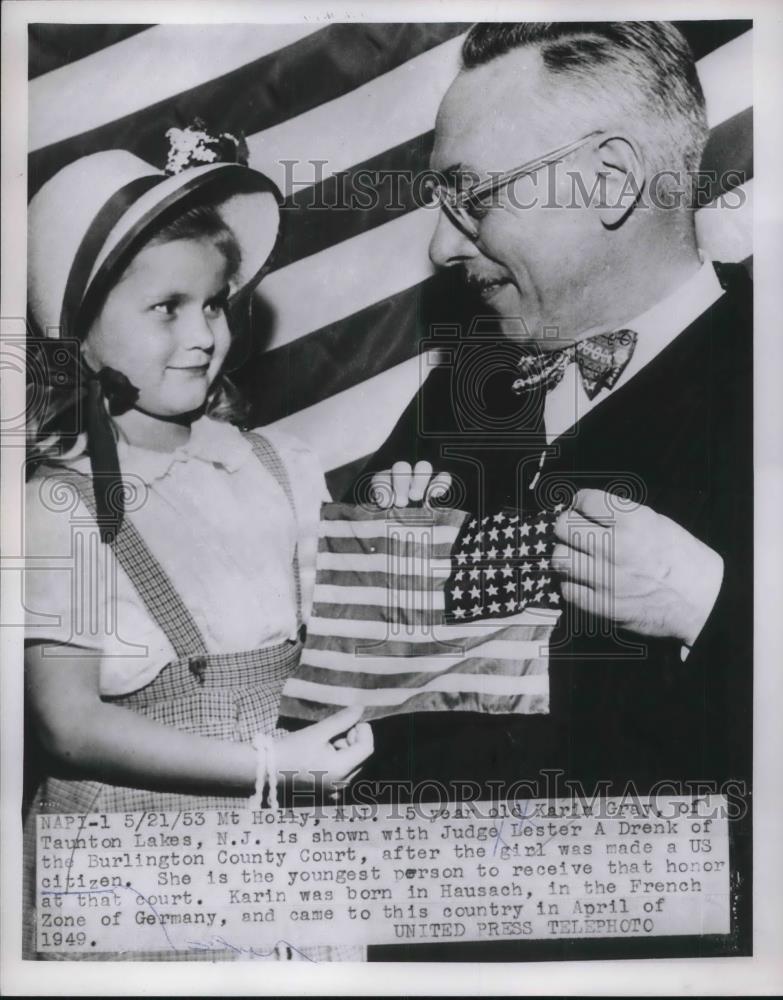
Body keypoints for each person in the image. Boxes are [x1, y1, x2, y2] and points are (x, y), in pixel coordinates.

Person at [362, 20, 752, 912]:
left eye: (472, 197)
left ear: (609, 179)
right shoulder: (460, 390)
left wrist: (710, 605)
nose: (442, 248)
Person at [23, 129, 373, 961]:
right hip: (135, 867)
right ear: (78, 335)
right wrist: (268, 762)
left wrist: (400, 536)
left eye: (213, 304)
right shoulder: (58, 504)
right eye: (166, 308)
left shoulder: (278, 467)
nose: (203, 334)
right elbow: (68, 725)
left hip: (288, 845)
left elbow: (340, 642)